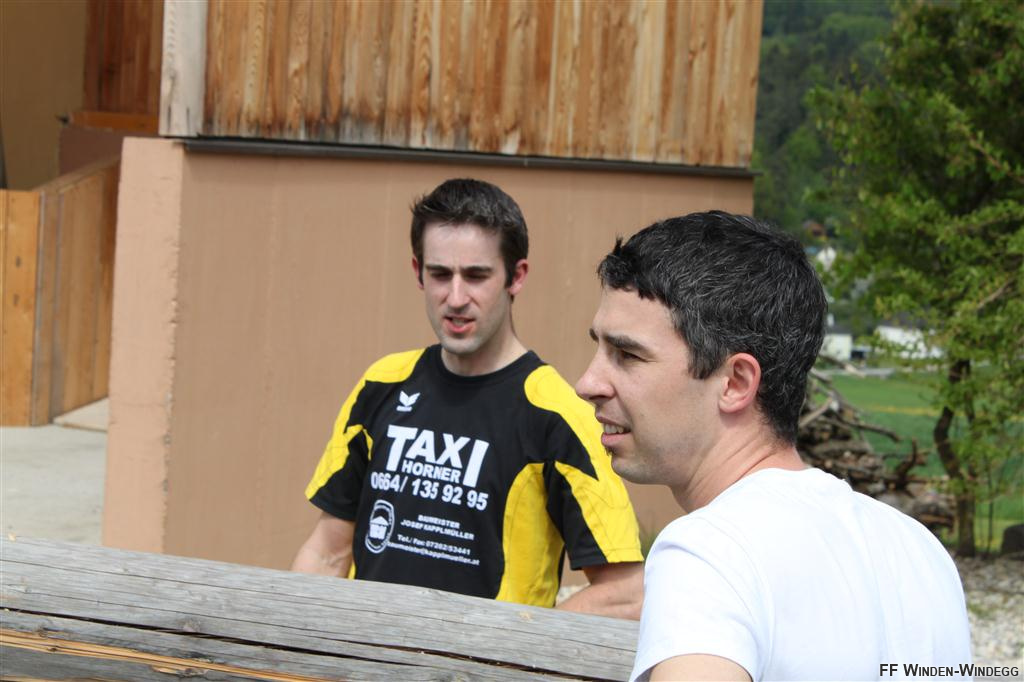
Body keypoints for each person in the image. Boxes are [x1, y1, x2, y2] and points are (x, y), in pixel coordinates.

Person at [575, 211, 972, 680]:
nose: (588, 383)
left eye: (627, 355)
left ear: (735, 383)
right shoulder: (918, 549)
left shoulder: (711, 551)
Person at [292, 178, 643, 618]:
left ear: (517, 276)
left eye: (476, 276)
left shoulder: (557, 414)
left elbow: (626, 594)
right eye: (440, 274)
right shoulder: (381, 384)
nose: (456, 298)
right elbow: (327, 553)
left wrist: (517, 646)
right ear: (418, 272)